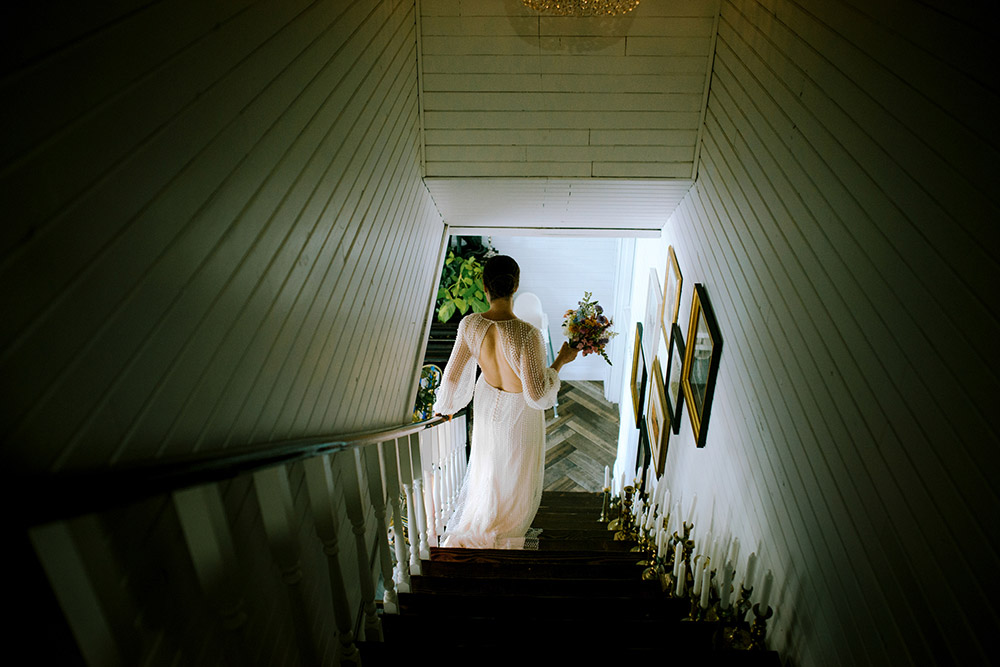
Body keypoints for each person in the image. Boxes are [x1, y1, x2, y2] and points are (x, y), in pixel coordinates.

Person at [433, 254, 578, 549]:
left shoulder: (469, 324)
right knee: (514, 469)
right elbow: (536, 394)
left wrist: (444, 408)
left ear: (484, 285)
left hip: (488, 407)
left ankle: (485, 519)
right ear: (516, 285)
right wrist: (561, 361)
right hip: (519, 414)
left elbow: (450, 378)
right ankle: (507, 528)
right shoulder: (528, 333)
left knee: (488, 466)